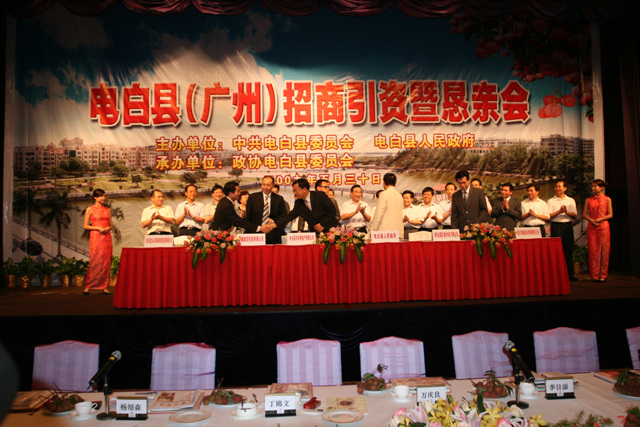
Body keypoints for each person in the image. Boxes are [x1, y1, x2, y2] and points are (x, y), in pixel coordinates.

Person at [210, 181, 276, 234]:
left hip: (221, 234)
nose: (239, 193)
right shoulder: (226, 205)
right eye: (238, 191)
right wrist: (260, 228)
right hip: (217, 235)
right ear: (231, 193)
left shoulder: (226, 201)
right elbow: (238, 221)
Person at [82, 188, 113, 295]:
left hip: (106, 237)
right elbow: (85, 226)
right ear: (95, 197)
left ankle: (104, 286)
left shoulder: (107, 209)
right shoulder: (90, 209)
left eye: (104, 196)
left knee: (106, 261)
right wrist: (97, 228)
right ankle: (88, 286)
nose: (103, 198)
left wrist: (107, 228)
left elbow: (111, 225)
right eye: (100, 196)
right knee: (95, 260)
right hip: (96, 237)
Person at [548, 180, 579, 281]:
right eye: (556, 187)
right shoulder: (551, 201)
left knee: (568, 251)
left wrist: (566, 212)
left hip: (567, 226)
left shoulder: (570, 200)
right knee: (556, 252)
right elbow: (549, 215)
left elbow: (574, 215)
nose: (557, 188)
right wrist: (559, 211)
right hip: (556, 226)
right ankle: (556, 275)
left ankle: (570, 274)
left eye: (559, 187)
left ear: (565, 188)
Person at [583, 179, 613, 282]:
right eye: (592, 186)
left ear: (601, 188)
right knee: (593, 250)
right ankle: (594, 275)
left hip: (603, 226)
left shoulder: (607, 199)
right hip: (592, 226)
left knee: (604, 250)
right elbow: (584, 214)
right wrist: (592, 220)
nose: (593, 188)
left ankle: (603, 275)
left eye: (595, 186)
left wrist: (599, 220)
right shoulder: (589, 200)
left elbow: (610, 214)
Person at [246, 176, 289, 244]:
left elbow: (283, 216)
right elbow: (248, 217)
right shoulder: (253, 197)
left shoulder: (279, 199)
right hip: (256, 234)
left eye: (268, 185)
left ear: (273, 185)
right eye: (263, 185)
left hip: (273, 233)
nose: (265, 187)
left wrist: (273, 221)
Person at [369, 173, 404, 238]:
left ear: (384, 182)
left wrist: (372, 230)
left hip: (385, 232)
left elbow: (378, 214)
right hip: (398, 232)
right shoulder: (399, 196)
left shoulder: (384, 194)